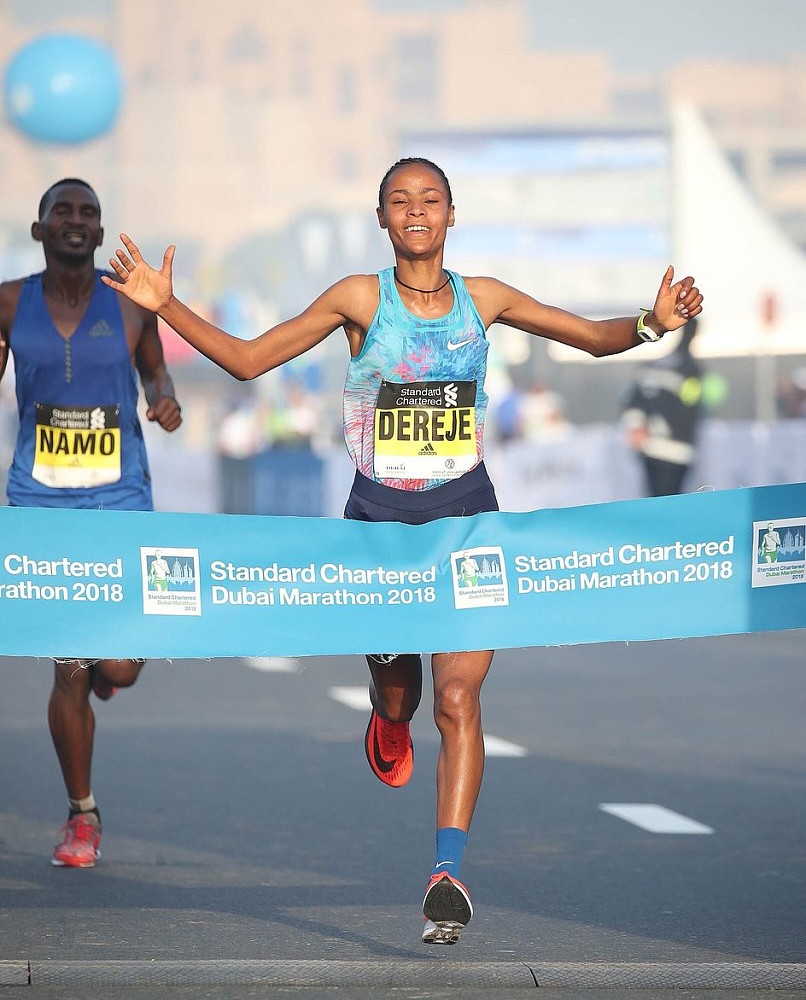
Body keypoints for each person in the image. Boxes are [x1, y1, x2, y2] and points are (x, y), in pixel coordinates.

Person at [100, 157, 703, 944]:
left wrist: (652, 323)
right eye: (400, 200)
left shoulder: (485, 299)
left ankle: (446, 874)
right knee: (402, 699)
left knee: (458, 700)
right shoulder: (359, 299)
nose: (416, 210)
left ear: (452, 214)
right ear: (382, 217)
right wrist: (167, 304)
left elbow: (590, 338)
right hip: (379, 528)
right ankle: (388, 715)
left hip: (466, 522)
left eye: (430, 199)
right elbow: (248, 360)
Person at [0, 178, 182, 869]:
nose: (76, 221)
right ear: (39, 229)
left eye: (88, 213)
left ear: (100, 234)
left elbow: (156, 375)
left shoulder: (130, 303)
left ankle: (110, 667)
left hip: (120, 499)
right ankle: (82, 813)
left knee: (119, 668)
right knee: (71, 664)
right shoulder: (9, 302)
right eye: (63, 211)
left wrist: (164, 402)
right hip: (41, 502)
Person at [621, 319, 703, 497]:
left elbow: (634, 400)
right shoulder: (690, 369)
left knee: (657, 500)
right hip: (673, 449)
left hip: (658, 447)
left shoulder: (654, 366)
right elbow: (690, 406)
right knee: (668, 501)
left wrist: (637, 425)